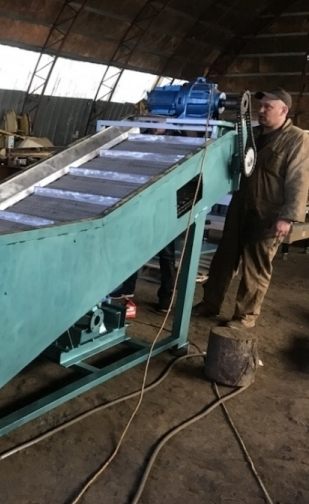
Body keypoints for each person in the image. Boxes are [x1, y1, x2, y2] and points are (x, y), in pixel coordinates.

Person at [192, 88, 309, 329]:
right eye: (261, 106)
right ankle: (210, 303)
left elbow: (299, 179)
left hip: (269, 212)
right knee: (224, 258)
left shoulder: (297, 138)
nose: (261, 110)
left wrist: (288, 217)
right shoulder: (251, 134)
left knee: (256, 266)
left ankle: (245, 316)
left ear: (284, 111)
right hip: (240, 205)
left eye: (268, 107)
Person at [110, 126, 178, 313]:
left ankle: (166, 298)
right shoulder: (143, 136)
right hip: (142, 202)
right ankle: (128, 287)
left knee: (166, 254)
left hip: (165, 205)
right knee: (134, 247)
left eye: (159, 124)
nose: (155, 127)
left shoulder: (178, 138)